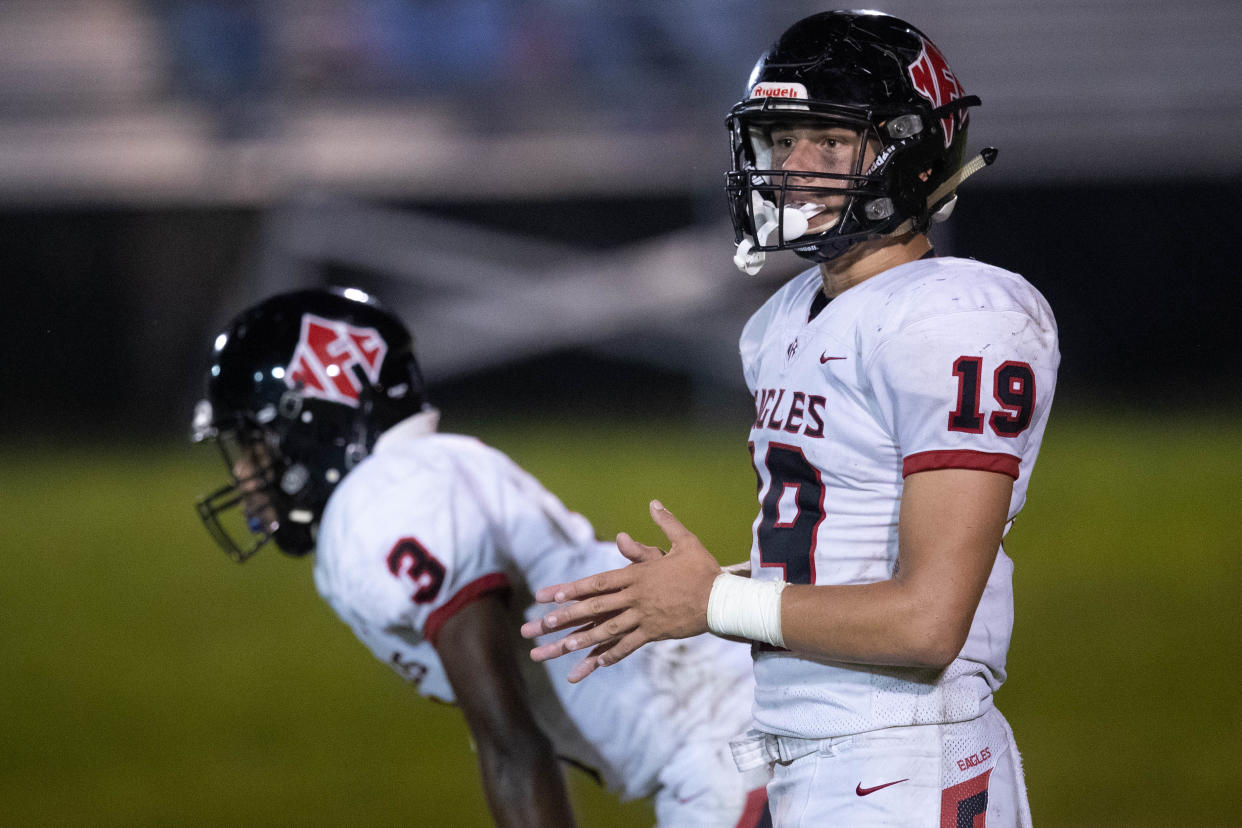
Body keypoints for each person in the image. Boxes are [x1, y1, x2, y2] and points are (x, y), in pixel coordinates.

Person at [522, 10, 1059, 827]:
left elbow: (927, 620)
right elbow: (835, 559)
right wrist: (677, 593)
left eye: (830, 142)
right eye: (780, 141)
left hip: (902, 760)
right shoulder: (783, 319)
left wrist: (711, 606)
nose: (795, 168)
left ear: (910, 153)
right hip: (812, 753)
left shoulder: (957, 316)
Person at [190, 287, 770, 828]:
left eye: (255, 444)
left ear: (310, 418)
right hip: (736, 727)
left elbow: (512, 746)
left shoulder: (378, 501)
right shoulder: (429, 466)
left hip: (723, 750)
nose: (245, 472)